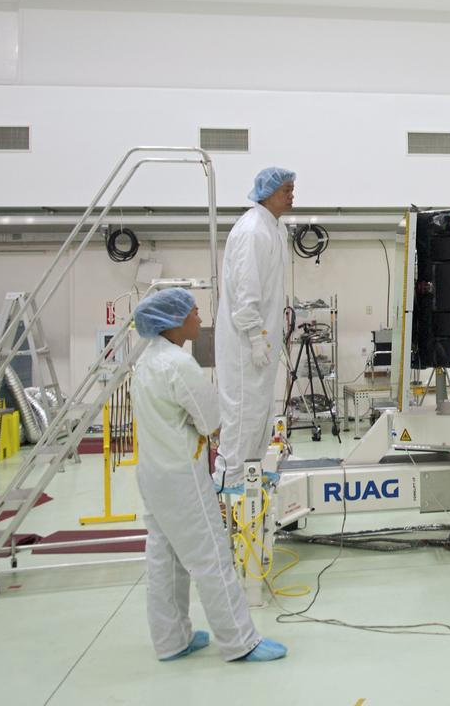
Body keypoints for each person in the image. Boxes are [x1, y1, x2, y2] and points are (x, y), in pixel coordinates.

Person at [131, 288, 286, 662]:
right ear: (174, 322)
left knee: (164, 559)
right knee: (212, 557)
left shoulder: (147, 362)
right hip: (181, 478)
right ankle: (239, 641)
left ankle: (171, 640)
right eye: (194, 313)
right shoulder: (178, 366)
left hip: (153, 474)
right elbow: (211, 419)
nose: (200, 319)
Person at [213, 167, 293, 495]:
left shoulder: (274, 229)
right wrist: (255, 336)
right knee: (243, 413)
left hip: (263, 340)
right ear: (268, 192)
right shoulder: (251, 231)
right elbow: (246, 291)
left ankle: (251, 474)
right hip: (246, 343)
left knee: (260, 412)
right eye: (287, 189)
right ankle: (228, 484)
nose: (292, 194)